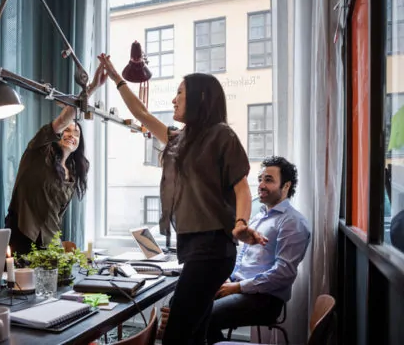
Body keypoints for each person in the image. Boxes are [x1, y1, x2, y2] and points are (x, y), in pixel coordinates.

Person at [97, 53, 267, 345]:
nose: (174, 100)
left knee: (175, 333)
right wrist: (115, 78)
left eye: (179, 93)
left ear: (200, 99)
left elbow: (242, 188)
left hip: (214, 248)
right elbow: (143, 115)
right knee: (193, 332)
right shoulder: (180, 140)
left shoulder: (222, 135)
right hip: (195, 248)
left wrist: (241, 223)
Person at [5, 63, 107, 255]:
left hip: (51, 243)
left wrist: (58, 248)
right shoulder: (38, 151)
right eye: (67, 130)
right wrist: (92, 87)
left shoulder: (74, 172)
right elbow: (61, 120)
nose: (71, 135)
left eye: (76, 133)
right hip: (22, 236)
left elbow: (56, 214)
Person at [206, 156, 311, 343]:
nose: (261, 185)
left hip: (264, 300)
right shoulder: (259, 217)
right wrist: (228, 279)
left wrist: (237, 287)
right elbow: (243, 260)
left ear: (286, 186)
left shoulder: (293, 222)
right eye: (260, 179)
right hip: (239, 287)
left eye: (268, 180)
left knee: (202, 317)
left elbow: (283, 273)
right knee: (183, 304)